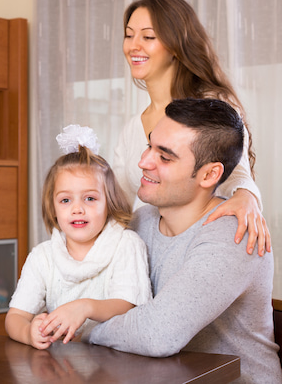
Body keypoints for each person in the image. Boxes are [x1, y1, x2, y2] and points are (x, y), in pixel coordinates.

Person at [87, 98, 282, 383]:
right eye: (149, 146)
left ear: (209, 174)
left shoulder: (234, 235)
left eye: (164, 157)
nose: (143, 163)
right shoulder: (142, 221)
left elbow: (158, 334)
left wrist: (82, 326)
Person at [113, 0, 270, 255]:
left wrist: (247, 198)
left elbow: (236, 172)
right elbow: (119, 206)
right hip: (145, 259)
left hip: (197, 252)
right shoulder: (131, 128)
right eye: (129, 35)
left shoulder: (213, 106)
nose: (133, 46)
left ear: (176, 45)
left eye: (148, 37)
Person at [5, 125, 151, 349]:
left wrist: (85, 307)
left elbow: (128, 305)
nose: (77, 209)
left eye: (90, 198)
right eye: (65, 200)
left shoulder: (126, 244)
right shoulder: (42, 256)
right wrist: (28, 332)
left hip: (117, 363)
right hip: (64, 367)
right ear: (52, 207)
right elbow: (15, 317)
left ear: (109, 203)